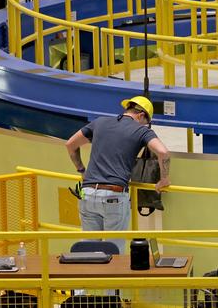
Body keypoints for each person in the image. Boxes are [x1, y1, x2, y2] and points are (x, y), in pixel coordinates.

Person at [64, 96, 171, 236]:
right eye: (145, 122)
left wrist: (82, 170)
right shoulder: (141, 131)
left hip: (87, 193)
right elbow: (163, 152)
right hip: (114, 195)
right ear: (141, 115)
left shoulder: (99, 122)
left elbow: (70, 144)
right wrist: (164, 179)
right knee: (114, 247)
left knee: (90, 247)